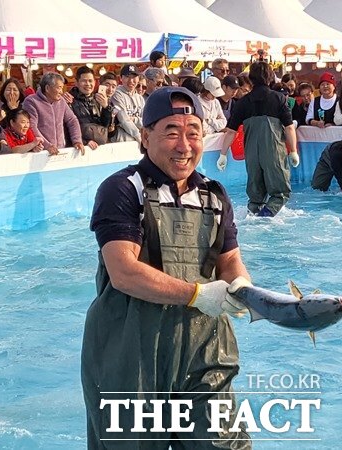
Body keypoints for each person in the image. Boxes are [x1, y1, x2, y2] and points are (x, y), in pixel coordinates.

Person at [81, 86, 252, 447]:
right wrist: (197, 294)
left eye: (193, 133)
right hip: (131, 356)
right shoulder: (123, 189)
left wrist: (243, 290)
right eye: (171, 132)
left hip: (205, 351)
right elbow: (123, 271)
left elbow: (230, 260)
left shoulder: (214, 195)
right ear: (144, 137)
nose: (184, 145)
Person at [217, 61, 299, 217]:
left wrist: (222, 154)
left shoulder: (243, 102)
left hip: (252, 153)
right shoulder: (279, 99)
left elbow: (231, 131)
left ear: (251, 79)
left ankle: (255, 214)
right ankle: (266, 215)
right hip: (274, 151)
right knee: (280, 192)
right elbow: (289, 127)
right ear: (270, 77)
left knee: (256, 195)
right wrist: (293, 151)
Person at [22, 72, 84, 156]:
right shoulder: (31, 101)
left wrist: (77, 140)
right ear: (47, 88)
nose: (61, 92)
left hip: (60, 150)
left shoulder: (61, 101)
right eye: (59, 88)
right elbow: (31, 126)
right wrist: (47, 146)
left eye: (62, 88)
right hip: (40, 153)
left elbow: (72, 120)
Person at [67, 66, 112, 148]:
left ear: (95, 82)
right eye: (84, 81)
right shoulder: (69, 101)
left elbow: (106, 126)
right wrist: (84, 142)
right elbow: (67, 128)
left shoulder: (99, 99)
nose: (88, 84)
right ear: (76, 83)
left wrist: (106, 108)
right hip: (79, 148)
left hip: (100, 146)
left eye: (90, 81)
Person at [111, 64, 145, 143]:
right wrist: (138, 136)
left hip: (140, 140)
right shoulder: (116, 94)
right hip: (122, 140)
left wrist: (134, 119)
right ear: (121, 78)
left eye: (134, 77)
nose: (131, 81)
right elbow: (123, 119)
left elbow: (146, 120)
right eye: (127, 77)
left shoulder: (140, 98)